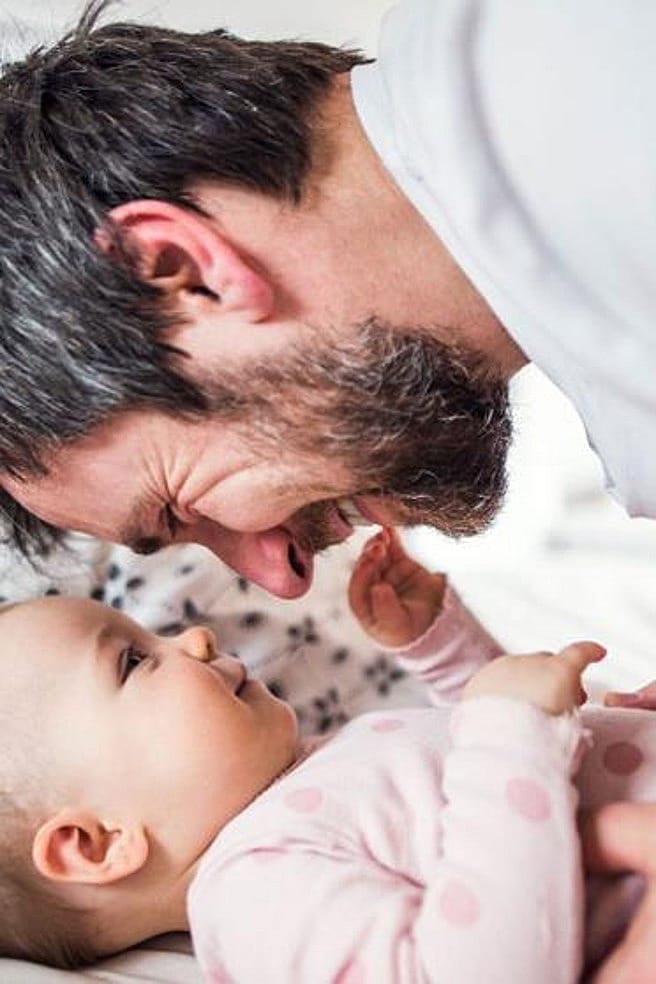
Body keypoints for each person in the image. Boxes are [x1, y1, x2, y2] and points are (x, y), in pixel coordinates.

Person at [0, 526, 651, 981]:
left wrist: (442, 651)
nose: (193, 636)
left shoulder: (308, 777)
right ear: (95, 844)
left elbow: (480, 809)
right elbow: (486, 964)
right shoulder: (252, 896)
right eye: (134, 660)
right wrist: (511, 728)